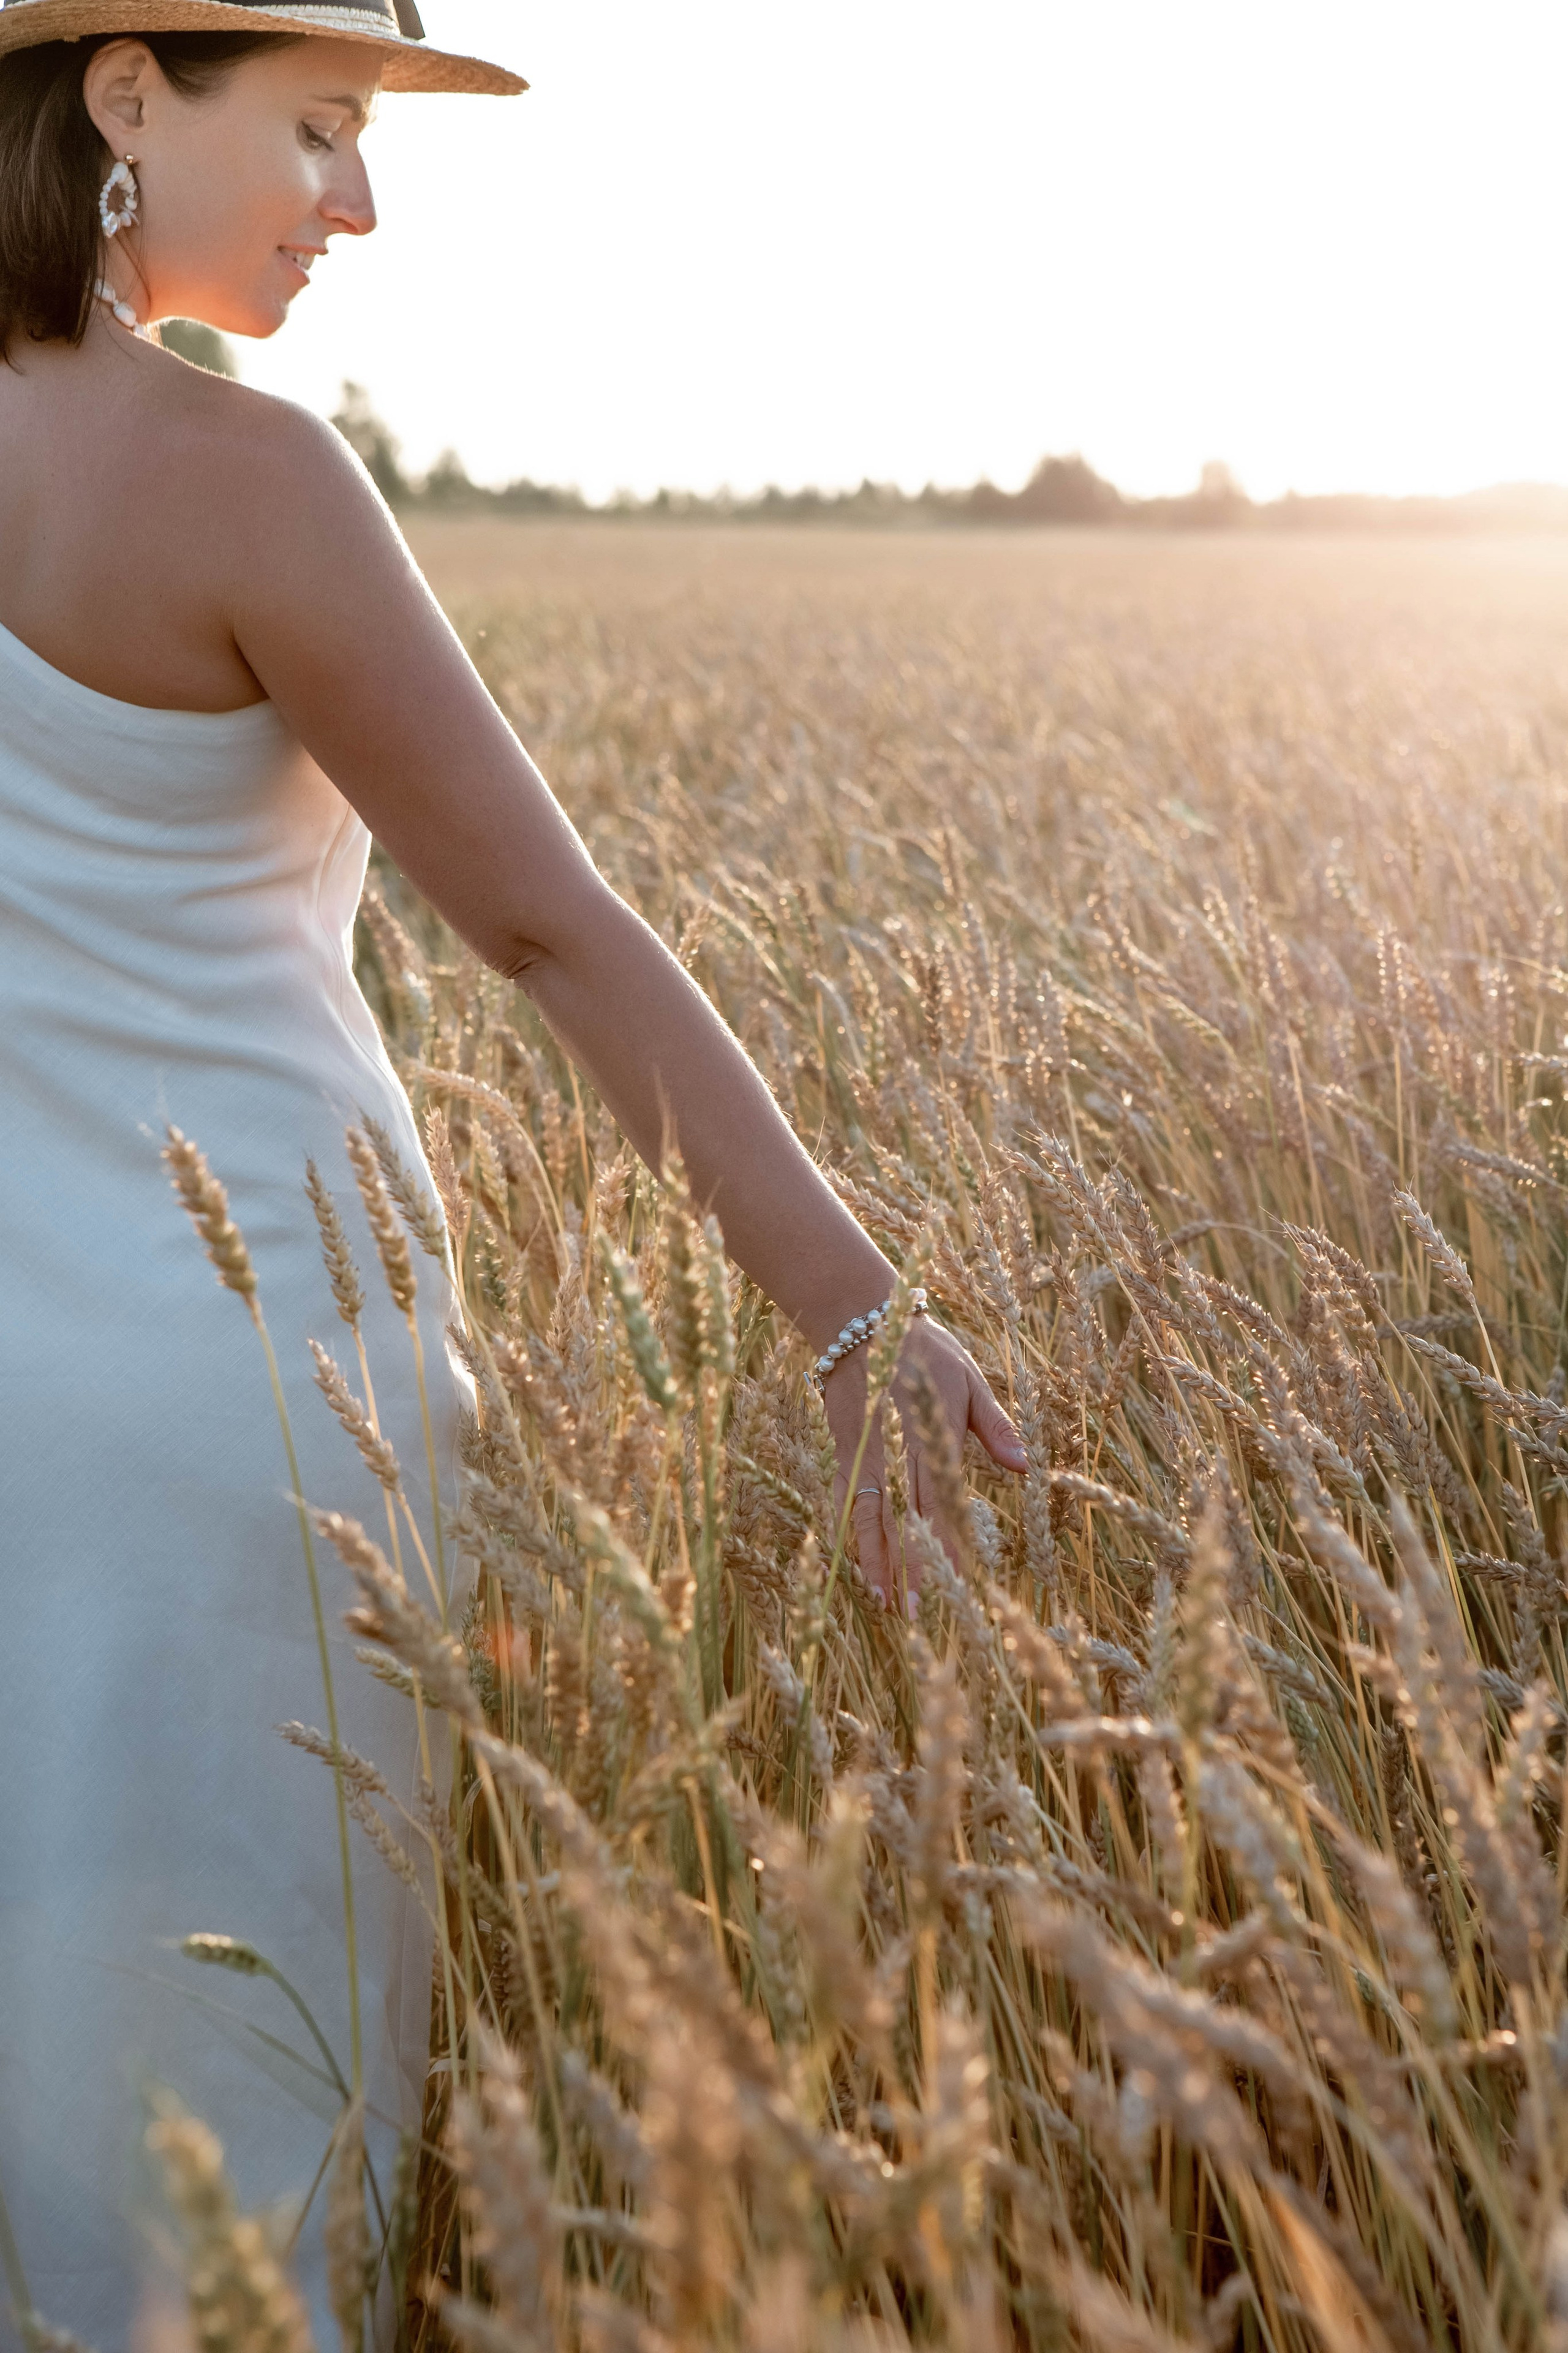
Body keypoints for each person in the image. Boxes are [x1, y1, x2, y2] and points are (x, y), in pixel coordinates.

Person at [0, 3, 1026, 2340]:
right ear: (123, 92)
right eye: (328, 129)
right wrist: (859, 1315)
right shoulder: (250, 480)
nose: (359, 203)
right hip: (247, 1418)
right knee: (236, 2147)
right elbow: (546, 926)